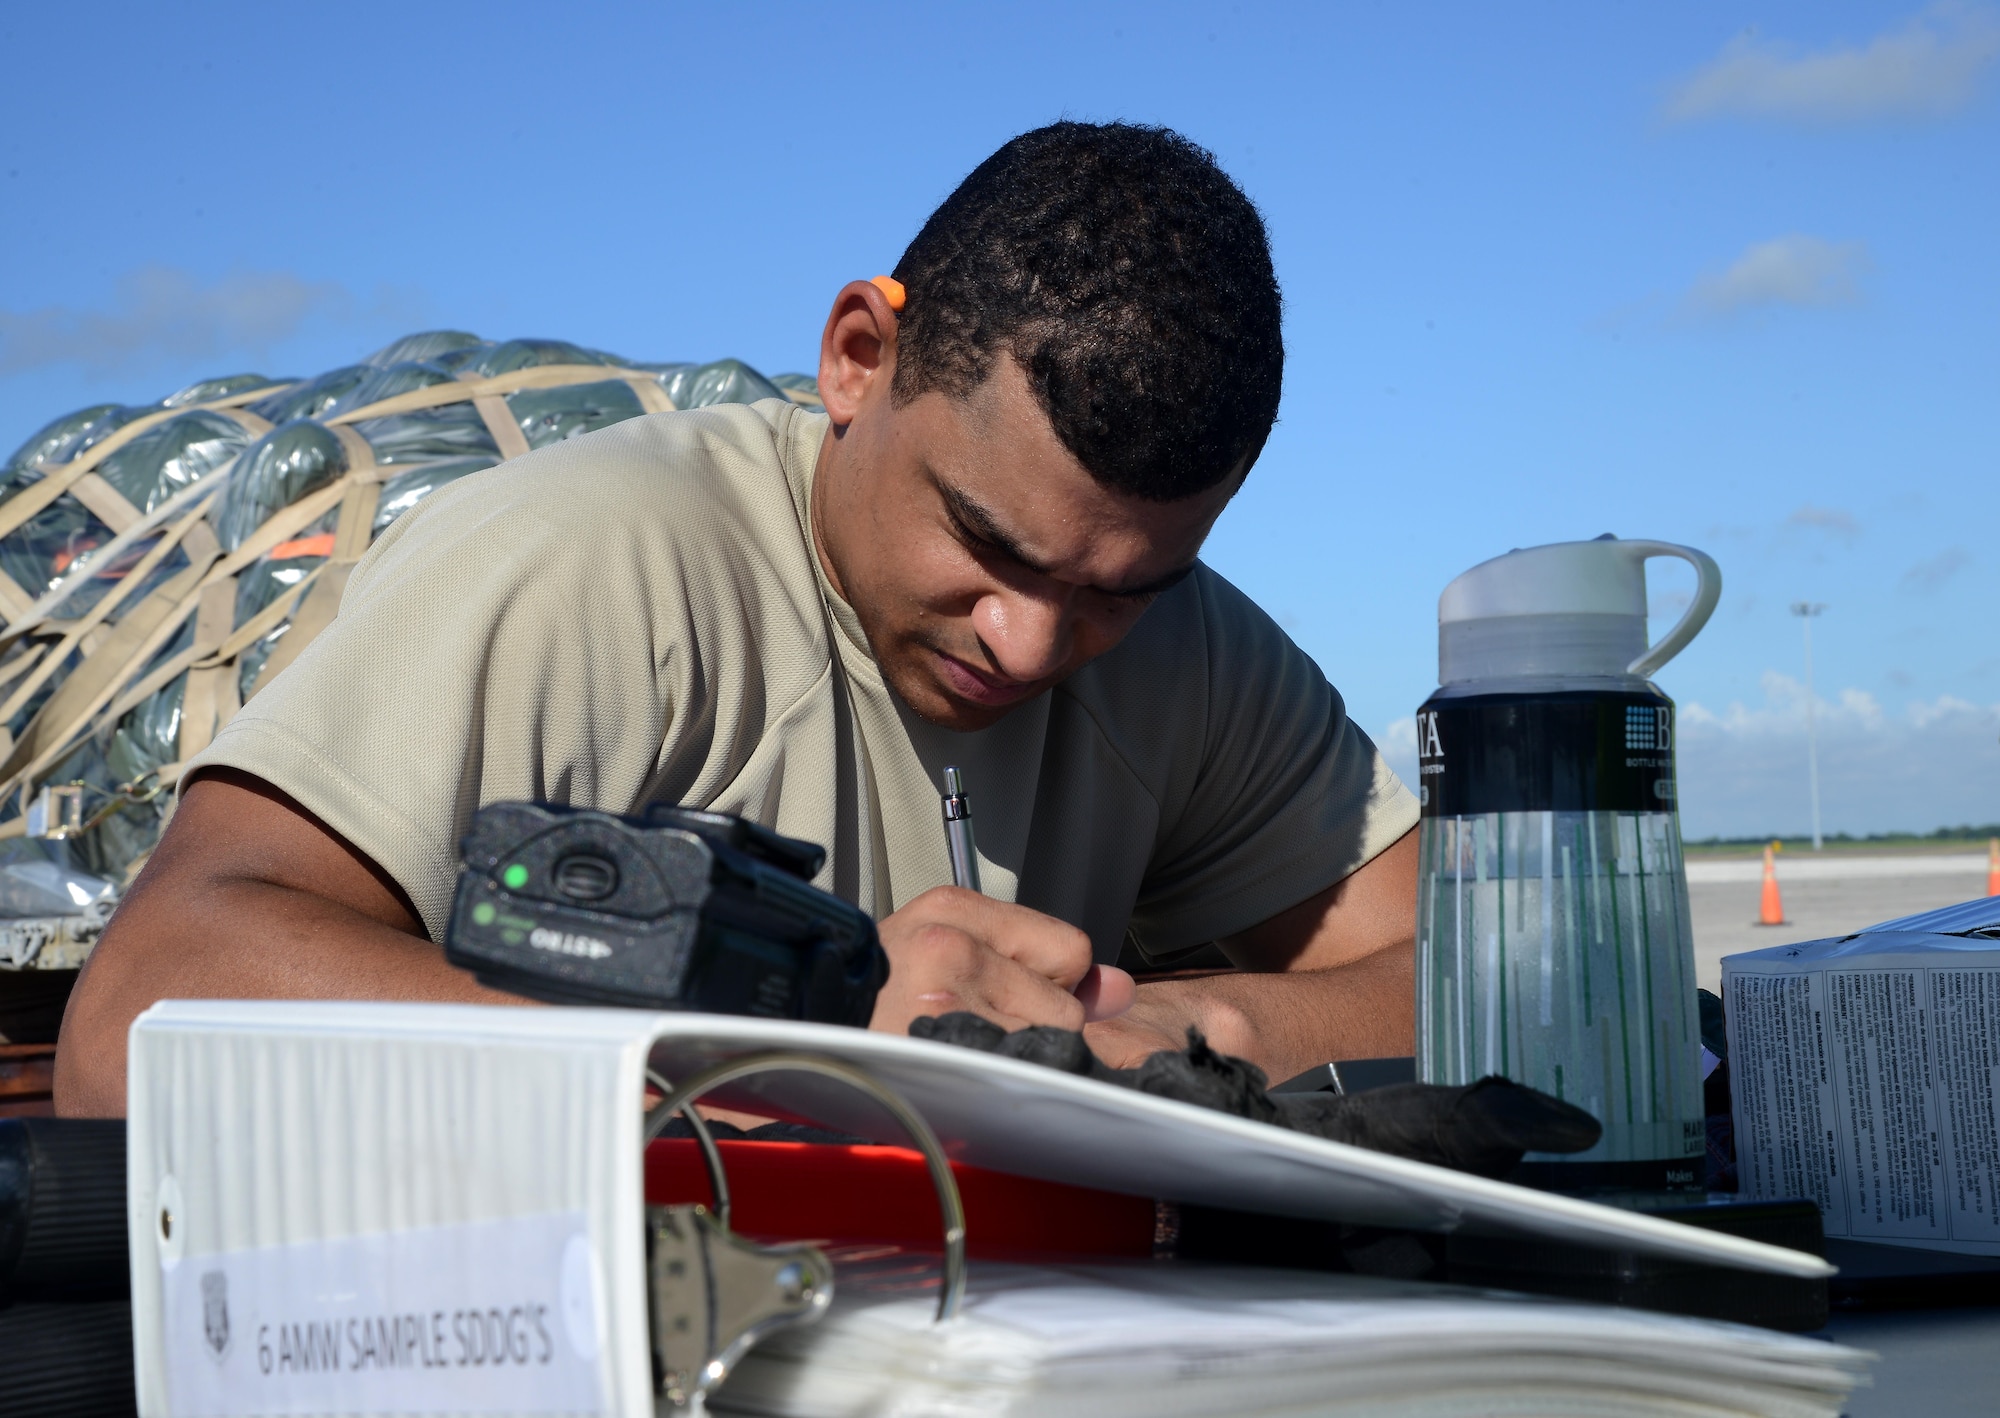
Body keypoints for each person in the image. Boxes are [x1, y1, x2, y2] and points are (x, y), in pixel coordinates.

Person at [55, 122, 1419, 1117]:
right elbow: (136, 1013)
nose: (1031, 641)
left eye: (1121, 592)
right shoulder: (587, 563)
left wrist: (1187, 1029)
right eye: (985, 542)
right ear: (858, 359)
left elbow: (1479, 974)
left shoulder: (1190, 653)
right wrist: (792, 1046)